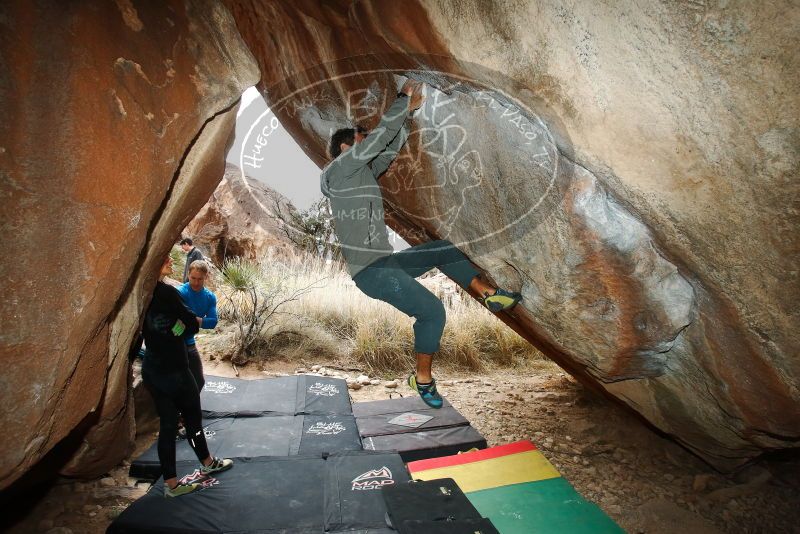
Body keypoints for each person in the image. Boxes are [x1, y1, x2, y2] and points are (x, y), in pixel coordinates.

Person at [321, 79, 522, 409]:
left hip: (386, 263)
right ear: (347, 147)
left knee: (442, 249)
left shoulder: (361, 174)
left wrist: (410, 116)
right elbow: (381, 138)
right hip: (372, 273)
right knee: (432, 312)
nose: (367, 143)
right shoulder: (341, 169)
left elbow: (386, 149)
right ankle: (423, 379)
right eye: (362, 140)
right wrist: (402, 99)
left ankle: (488, 295)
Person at [135, 254, 232, 497]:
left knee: (167, 426)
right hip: (175, 369)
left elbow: (137, 336)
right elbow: (192, 323)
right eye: (164, 257)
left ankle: (172, 485)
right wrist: (179, 328)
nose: (169, 258)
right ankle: (208, 463)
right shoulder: (168, 292)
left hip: (153, 369)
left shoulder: (140, 293)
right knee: (193, 418)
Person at [177, 259, 218, 391]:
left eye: (199, 279)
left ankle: (188, 409)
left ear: (205, 277)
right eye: (193, 278)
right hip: (174, 341)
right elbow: (172, 318)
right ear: (188, 275)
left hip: (189, 341)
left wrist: (193, 320)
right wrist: (198, 321)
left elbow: (213, 322)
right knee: (177, 380)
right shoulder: (181, 292)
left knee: (198, 381)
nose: (195, 282)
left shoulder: (209, 297)